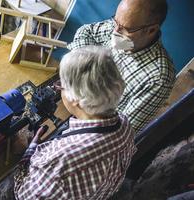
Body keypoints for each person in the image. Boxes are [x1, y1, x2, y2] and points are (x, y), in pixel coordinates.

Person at [13, 46, 137, 200]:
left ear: (75, 98)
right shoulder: (124, 124)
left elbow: (23, 195)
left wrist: (29, 151)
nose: (57, 88)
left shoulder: (59, 161)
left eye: (61, 86)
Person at [68, 0, 175, 133]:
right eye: (115, 21)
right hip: (78, 107)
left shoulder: (158, 78)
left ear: (151, 30)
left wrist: (79, 110)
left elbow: (120, 132)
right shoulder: (119, 25)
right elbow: (85, 32)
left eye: (126, 29)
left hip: (94, 132)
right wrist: (84, 66)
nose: (115, 31)